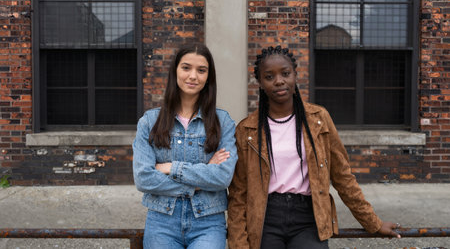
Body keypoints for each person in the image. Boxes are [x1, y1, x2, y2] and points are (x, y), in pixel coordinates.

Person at [227, 46, 401, 249]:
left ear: (295, 75)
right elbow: (238, 194)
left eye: (285, 73)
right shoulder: (246, 130)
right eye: (269, 76)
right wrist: (239, 245)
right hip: (265, 217)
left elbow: (342, 177)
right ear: (260, 83)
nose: (279, 81)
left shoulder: (319, 119)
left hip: (308, 217)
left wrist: (373, 223)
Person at [133, 43, 237, 249]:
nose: (193, 76)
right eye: (186, 68)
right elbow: (143, 178)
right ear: (175, 71)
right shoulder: (149, 121)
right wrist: (202, 177)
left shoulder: (223, 121)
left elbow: (223, 177)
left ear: (209, 77)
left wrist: (171, 168)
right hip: (162, 221)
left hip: (208, 221)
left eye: (201, 70)